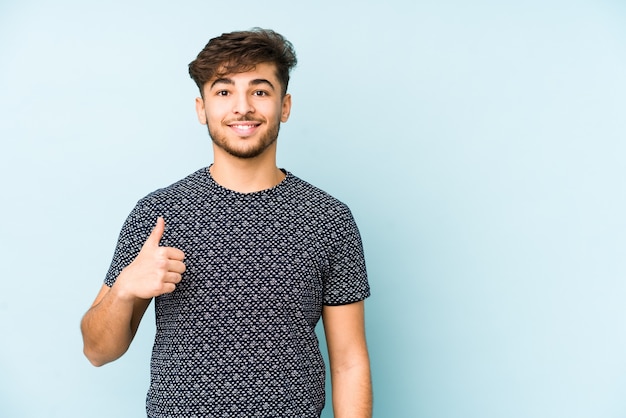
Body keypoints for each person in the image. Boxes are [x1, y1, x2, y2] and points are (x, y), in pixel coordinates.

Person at [80, 28, 372, 418]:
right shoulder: (158, 214)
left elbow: (349, 361)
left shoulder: (328, 218)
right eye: (223, 91)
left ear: (284, 106)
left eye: (260, 91)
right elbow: (98, 351)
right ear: (202, 109)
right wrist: (125, 290)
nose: (243, 107)